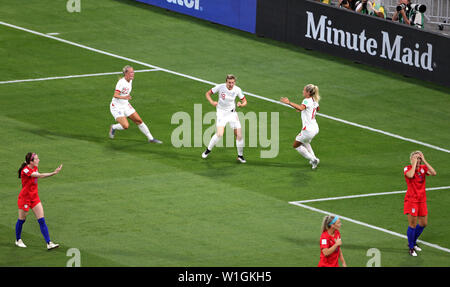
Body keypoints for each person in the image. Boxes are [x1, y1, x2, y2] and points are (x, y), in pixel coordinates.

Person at [15, 152, 62, 250]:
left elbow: (34, 171)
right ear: (31, 162)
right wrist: (53, 173)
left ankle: (49, 243)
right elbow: (40, 176)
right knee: (21, 220)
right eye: (36, 159)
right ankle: (18, 240)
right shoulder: (26, 170)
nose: (38, 160)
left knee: (41, 220)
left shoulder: (34, 167)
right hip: (25, 199)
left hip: (34, 198)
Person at [108, 65, 162, 144]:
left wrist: (125, 98)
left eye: (133, 72)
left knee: (139, 121)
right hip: (116, 107)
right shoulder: (121, 83)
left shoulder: (130, 80)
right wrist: (125, 97)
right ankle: (113, 127)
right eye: (131, 72)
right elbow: (115, 95)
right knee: (126, 126)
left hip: (125, 105)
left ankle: (151, 138)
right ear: (126, 73)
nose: (133, 74)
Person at [202, 74, 247, 163]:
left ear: (235, 82)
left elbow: (245, 101)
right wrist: (212, 102)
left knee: (239, 135)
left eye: (233, 83)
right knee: (219, 134)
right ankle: (208, 150)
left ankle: (240, 156)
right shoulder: (220, 87)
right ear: (226, 82)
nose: (231, 84)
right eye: (229, 82)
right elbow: (207, 93)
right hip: (221, 113)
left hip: (232, 113)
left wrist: (241, 105)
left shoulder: (237, 89)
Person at [403, 151, 436, 256]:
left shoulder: (423, 168)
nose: (418, 160)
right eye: (415, 157)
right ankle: (411, 247)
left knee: (423, 223)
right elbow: (411, 175)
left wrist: (424, 160)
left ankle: (413, 241)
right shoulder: (407, 168)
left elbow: (434, 173)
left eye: (419, 158)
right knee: (412, 225)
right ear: (411, 159)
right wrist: (413, 164)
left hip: (422, 200)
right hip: (412, 200)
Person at [280, 84, 320, 169]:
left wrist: (289, 103)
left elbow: (301, 108)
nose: (303, 91)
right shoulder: (314, 100)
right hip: (315, 128)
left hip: (308, 130)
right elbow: (316, 109)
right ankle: (314, 158)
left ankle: (313, 159)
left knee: (296, 145)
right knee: (305, 142)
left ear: (308, 92)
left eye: (304, 90)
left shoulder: (306, 100)